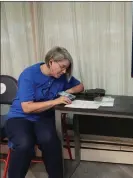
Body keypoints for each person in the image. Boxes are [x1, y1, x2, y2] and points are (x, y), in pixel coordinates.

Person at [5, 46, 84, 178]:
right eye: (62, 67)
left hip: (43, 118)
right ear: (51, 61)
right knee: (24, 143)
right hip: (20, 117)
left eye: (67, 68)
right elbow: (27, 108)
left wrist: (67, 92)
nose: (64, 71)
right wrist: (56, 101)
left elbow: (80, 86)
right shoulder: (29, 74)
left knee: (51, 142)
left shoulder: (61, 77)